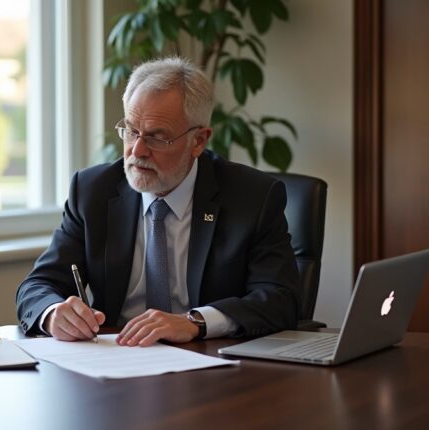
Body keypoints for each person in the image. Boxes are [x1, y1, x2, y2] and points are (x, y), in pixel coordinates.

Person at [16, 57, 300, 346]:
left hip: (210, 362)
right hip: (115, 362)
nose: (137, 150)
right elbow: (37, 286)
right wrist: (54, 313)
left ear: (199, 141)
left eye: (157, 138)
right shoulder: (93, 191)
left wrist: (195, 322)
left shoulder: (252, 197)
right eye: (130, 131)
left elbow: (280, 299)